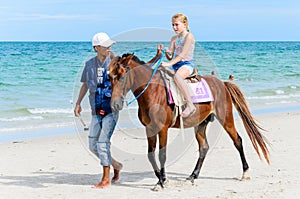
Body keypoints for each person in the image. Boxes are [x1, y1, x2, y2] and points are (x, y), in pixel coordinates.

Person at [74, 32, 122, 188]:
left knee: (102, 143)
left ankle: (106, 179)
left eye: (109, 45)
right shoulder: (89, 65)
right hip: (96, 109)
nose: (108, 47)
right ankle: (115, 165)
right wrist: (78, 103)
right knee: (92, 144)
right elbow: (85, 85)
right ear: (96, 48)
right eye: (105, 45)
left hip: (111, 109)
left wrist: (114, 61)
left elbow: (124, 78)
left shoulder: (114, 63)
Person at [159, 13, 196, 118]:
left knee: (177, 77)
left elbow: (182, 55)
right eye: (173, 25)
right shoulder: (174, 38)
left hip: (186, 64)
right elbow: (171, 56)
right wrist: (166, 53)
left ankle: (190, 105)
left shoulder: (189, 36)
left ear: (185, 24)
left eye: (176, 25)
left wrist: (168, 63)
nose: (174, 27)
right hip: (175, 64)